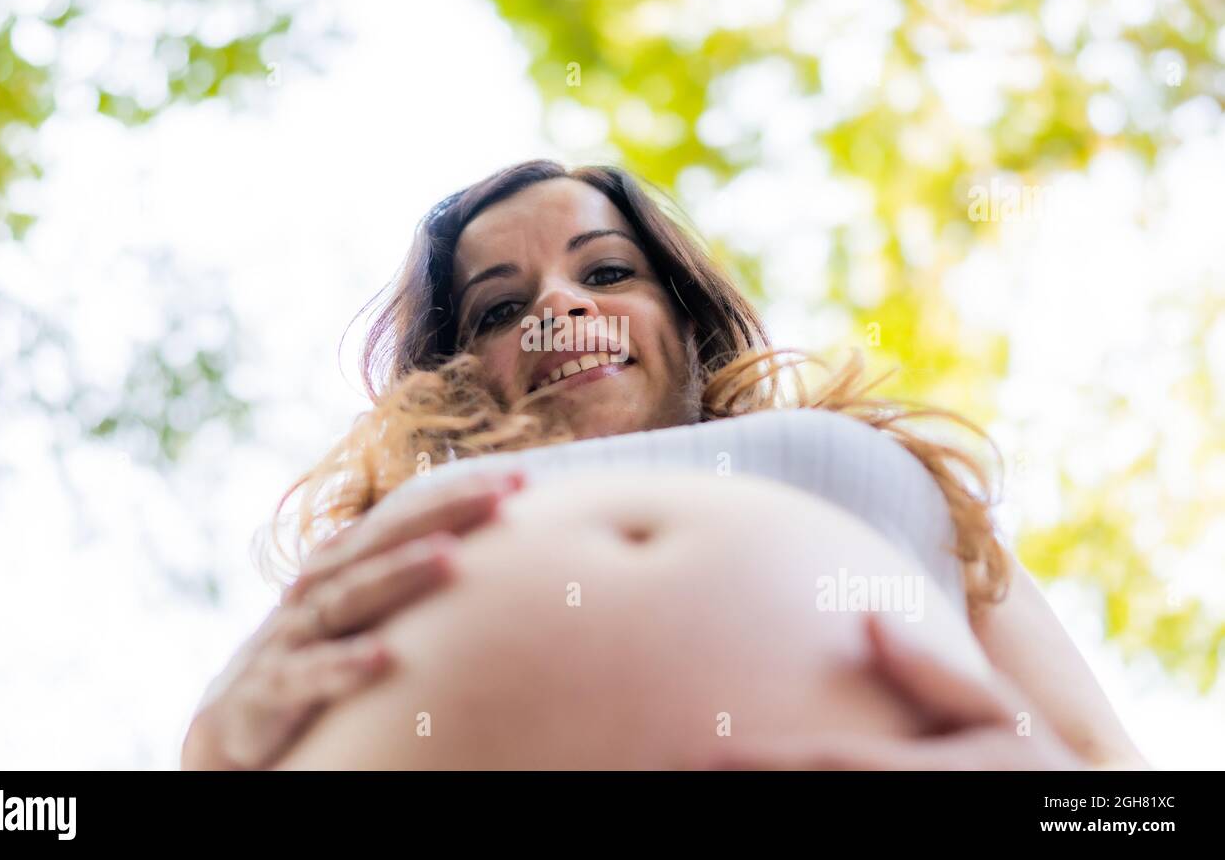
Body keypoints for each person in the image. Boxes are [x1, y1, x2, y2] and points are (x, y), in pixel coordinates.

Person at [180, 160, 1149, 770]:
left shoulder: (889, 466)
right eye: (498, 308)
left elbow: (1117, 778)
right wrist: (209, 752)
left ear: (685, 313)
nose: (558, 308)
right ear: (461, 369)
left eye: (605, 272)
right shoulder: (393, 521)